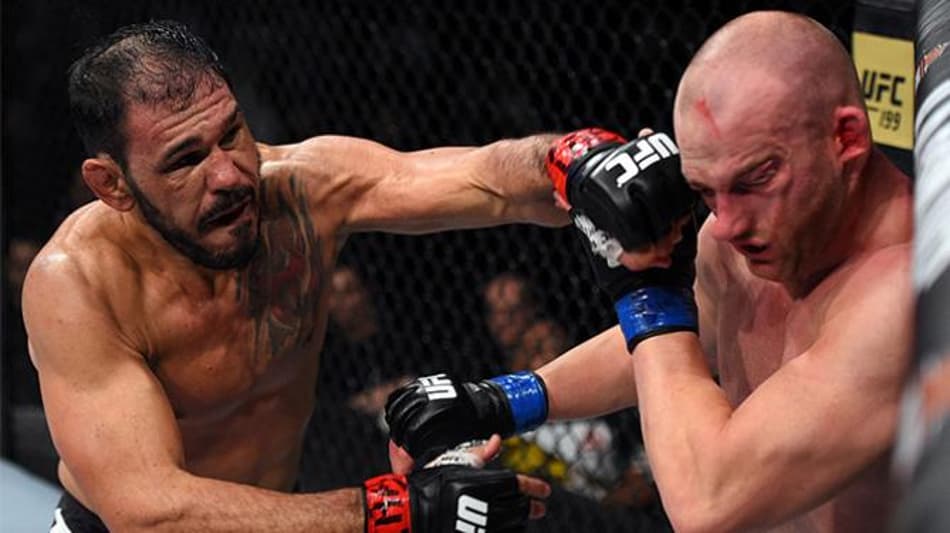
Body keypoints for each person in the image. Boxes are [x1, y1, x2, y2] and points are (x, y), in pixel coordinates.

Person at [385, 11, 913, 532]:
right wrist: (498, 402)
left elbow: (707, 501)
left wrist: (644, 287)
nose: (725, 225)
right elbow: (680, 339)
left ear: (845, 137)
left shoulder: (912, 292)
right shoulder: (757, 238)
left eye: (754, 180)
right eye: (705, 191)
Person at [23, 20, 559, 532]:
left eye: (232, 133)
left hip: (277, 514)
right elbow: (149, 514)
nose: (229, 175)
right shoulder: (79, 284)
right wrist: (405, 510)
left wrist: (572, 161)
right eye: (185, 160)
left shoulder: (304, 192)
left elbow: (486, 180)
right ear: (112, 185)